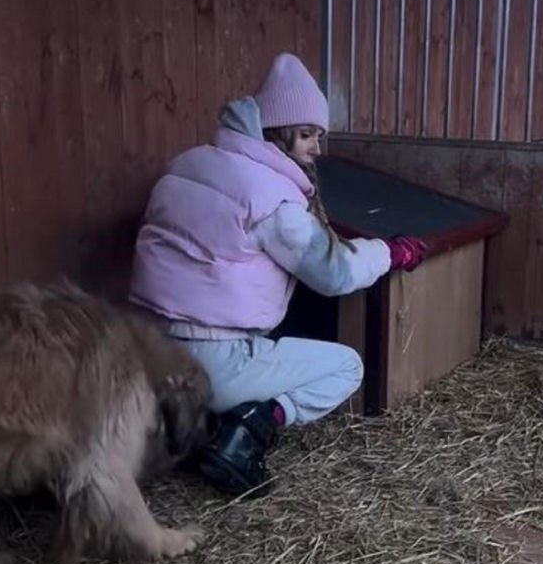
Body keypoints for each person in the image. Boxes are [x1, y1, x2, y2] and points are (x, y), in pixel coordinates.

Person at [129, 53, 427, 499]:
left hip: (144, 351)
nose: (317, 149)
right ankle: (247, 431)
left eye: (319, 136)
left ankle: (191, 429)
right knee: (346, 366)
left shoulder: (186, 164)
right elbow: (336, 272)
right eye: (307, 135)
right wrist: (391, 252)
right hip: (212, 362)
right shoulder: (272, 199)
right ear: (275, 134)